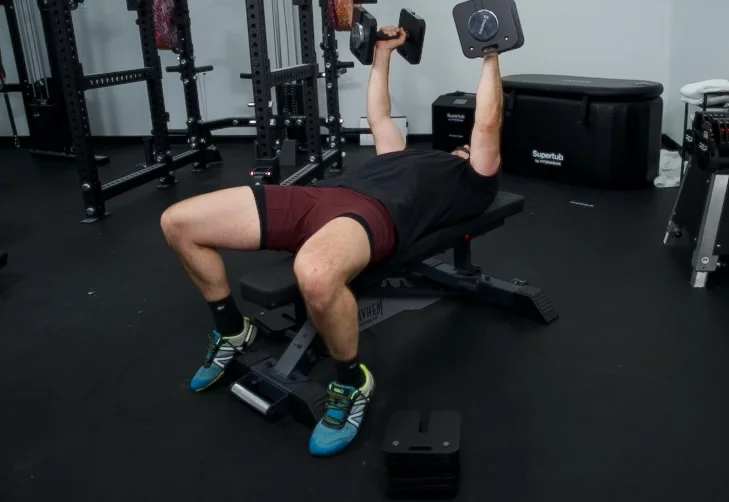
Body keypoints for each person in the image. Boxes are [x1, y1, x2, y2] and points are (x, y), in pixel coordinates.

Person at [160, 26, 504, 456]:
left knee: (316, 275)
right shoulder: (408, 155)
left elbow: (487, 122)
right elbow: (380, 118)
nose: (463, 148)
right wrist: (382, 55)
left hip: (369, 215)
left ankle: (350, 382)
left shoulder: (475, 183)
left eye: (469, 147)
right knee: (179, 222)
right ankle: (232, 331)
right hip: (315, 196)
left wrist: (489, 55)